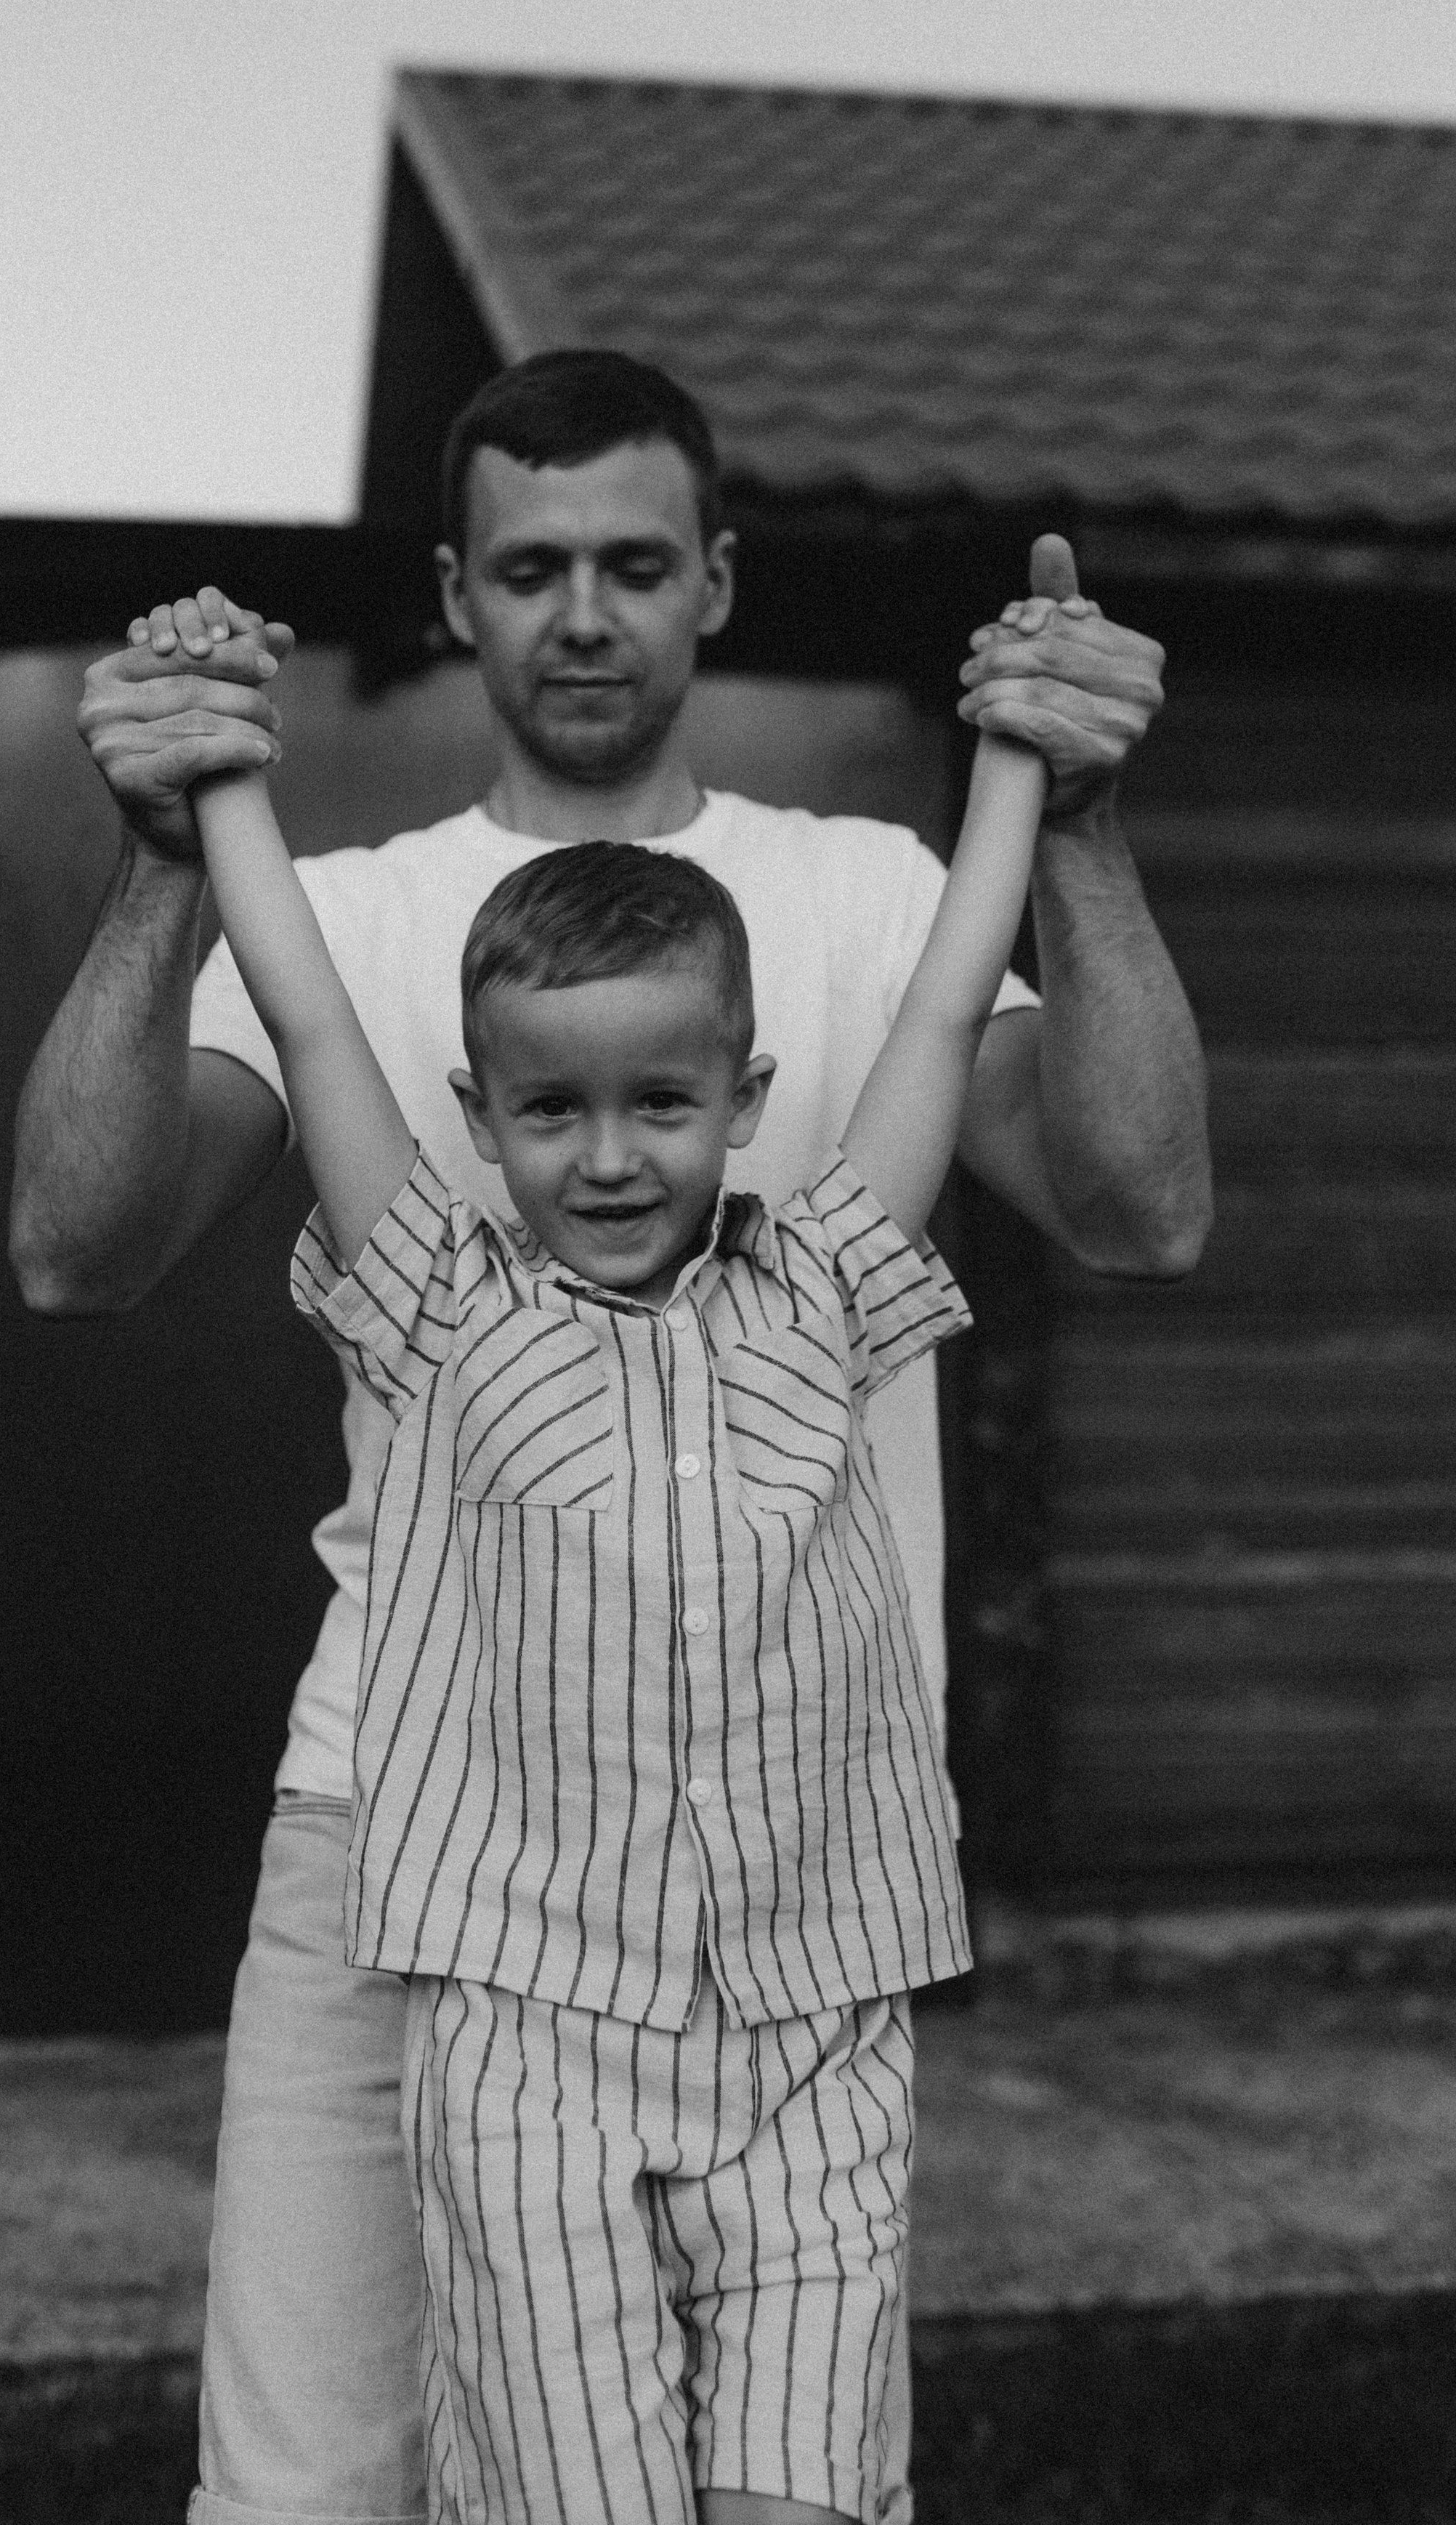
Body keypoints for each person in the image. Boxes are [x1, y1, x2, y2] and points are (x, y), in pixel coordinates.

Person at [9, 350, 1211, 2525]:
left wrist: (1067, 809)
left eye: (636, 564)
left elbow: (1143, 1205)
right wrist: (161, 852)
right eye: (534, 566)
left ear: (713, 583)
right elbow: (76, 1251)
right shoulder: (372, 931)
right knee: (310, 2496)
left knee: (785, 2484)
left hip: (779, 1879)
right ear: (456, 591)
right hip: (410, 1836)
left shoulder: (857, 899)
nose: (585, 614)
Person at [184, 654, 1050, 2522]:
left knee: (805, 2493)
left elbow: (938, 1012)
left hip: (809, 2023)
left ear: (744, 1099)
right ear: (478, 1118)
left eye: (659, 1100)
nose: (604, 1154)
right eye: (549, 1110)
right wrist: (223, 781)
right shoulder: (440, 1313)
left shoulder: (819, 1300)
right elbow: (313, 1027)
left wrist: (1015, 769)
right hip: (527, 2047)